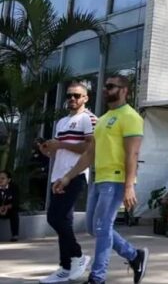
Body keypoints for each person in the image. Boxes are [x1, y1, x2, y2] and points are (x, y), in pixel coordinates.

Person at [53, 74, 149, 284]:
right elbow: (89, 154)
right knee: (92, 227)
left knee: (103, 227)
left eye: (111, 86)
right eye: (105, 87)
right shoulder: (103, 119)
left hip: (116, 180)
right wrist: (68, 177)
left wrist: (129, 185)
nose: (106, 89)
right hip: (99, 179)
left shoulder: (131, 117)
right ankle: (134, 256)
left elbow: (132, 154)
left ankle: (97, 278)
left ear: (124, 90)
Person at [38, 82, 97, 283]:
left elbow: (89, 149)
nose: (72, 99)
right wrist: (46, 149)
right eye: (70, 95)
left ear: (86, 98)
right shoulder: (62, 122)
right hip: (58, 175)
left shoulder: (88, 119)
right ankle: (65, 267)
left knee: (55, 218)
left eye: (77, 95)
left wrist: (61, 144)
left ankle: (79, 256)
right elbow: (57, 149)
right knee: (63, 221)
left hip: (75, 175)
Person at [0, 170, 18, 242]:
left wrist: (6, 207)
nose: (0, 180)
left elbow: (16, 202)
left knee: (14, 213)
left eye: (3, 178)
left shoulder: (14, 187)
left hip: (9, 210)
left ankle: (15, 235)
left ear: (9, 180)